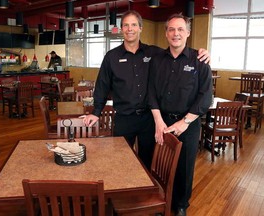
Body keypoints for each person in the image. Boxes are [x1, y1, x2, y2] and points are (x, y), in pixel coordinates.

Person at [83, 10, 210, 170]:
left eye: (134, 25)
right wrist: (96, 111)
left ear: (140, 28)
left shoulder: (155, 53)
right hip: (124, 118)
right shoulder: (111, 57)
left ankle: (144, 191)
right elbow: (102, 85)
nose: (130, 29)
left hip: (148, 119)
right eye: (126, 25)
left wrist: (202, 53)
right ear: (122, 29)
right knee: (120, 160)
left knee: (148, 162)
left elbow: (174, 53)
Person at [148, 13, 212, 216]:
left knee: (184, 167)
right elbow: (150, 91)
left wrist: (185, 122)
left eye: (180, 29)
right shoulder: (157, 60)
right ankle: (161, 199)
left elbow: (205, 97)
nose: (176, 33)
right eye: (171, 29)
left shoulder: (200, 60)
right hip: (162, 121)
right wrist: (158, 120)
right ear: (166, 33)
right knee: (159, 163)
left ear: (188, 33)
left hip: (189, 123)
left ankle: (182, 204)